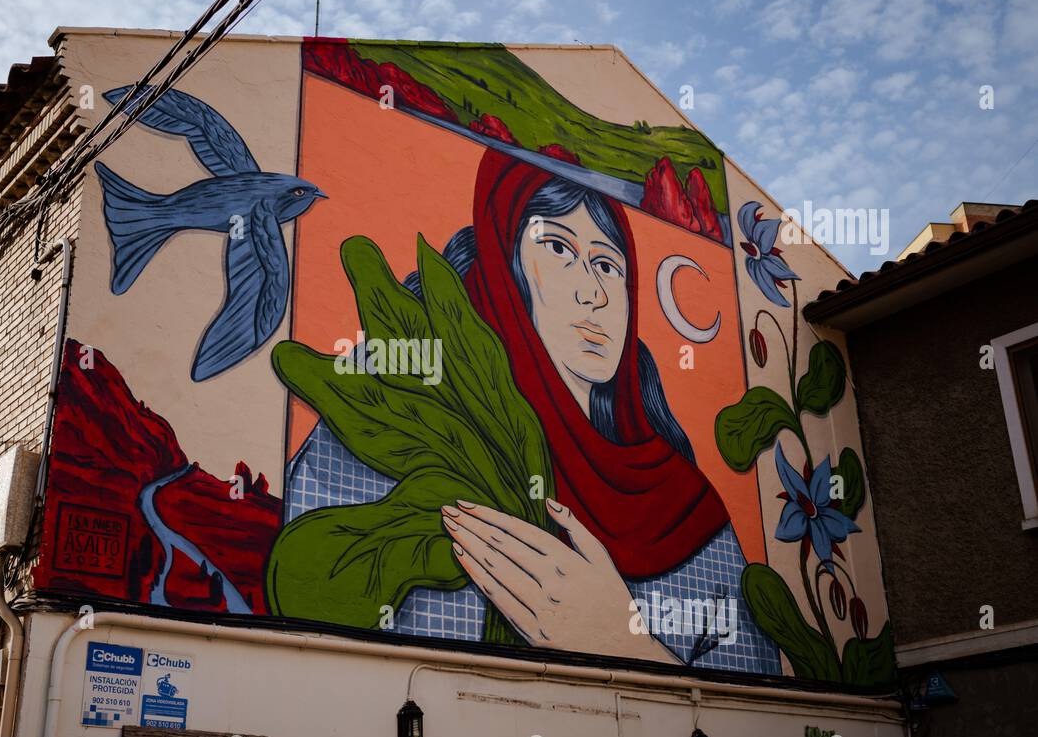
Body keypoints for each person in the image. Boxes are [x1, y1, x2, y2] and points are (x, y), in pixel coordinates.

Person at [284, 148, 781, 674]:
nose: (593, 292)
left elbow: (755, 717)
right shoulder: (402, 398)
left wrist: (622, 641)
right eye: (559, 248)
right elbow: (310, 620)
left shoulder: (684, 503)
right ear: (505, 268)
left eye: (608, 265)